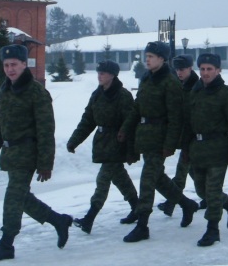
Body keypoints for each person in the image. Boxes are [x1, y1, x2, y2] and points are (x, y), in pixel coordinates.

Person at [0, 43, 72, 262]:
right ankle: (58, 220)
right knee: (21, 197)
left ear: (24, 64)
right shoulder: (5, 89)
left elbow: (46, 130)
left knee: (13, 196)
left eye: (14, 64)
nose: (10, 69)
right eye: (6, 65)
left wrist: (45, 163)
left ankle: (6, 244)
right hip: (10, 152)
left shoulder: (36, 93)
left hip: (28, 153)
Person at [119, 41, 198, 243]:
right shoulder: (147, 79)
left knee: (147, 180)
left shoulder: (170, 82)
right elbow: (138, 108)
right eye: (146, 56)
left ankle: (142, 224)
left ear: (162, 59)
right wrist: (126, 128)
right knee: (159, 179)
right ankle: (186, 204)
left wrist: (170, 144)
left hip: (160, 137)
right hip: (146, 136)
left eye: (151, 56)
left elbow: (175, 116)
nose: (147, 59)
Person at [66, 60, 139, 234]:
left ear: (112, 75)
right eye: (98, 73)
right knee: (119, 177)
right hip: (102, 142)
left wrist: (131, 150)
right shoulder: (97, 95)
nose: (99, 76)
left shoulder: (123, 96)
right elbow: (87, 121)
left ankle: (89, 218)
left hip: (117, 143)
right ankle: (137, 207)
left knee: (103, 180)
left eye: (103, 73)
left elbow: (131, 123)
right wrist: (74, 140)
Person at [184, 53, 228, 247]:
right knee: (202, 190)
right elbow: (188, 123)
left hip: (219, 149)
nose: (205, 73)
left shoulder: (226, 94)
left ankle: (212, 230)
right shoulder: (195, 92)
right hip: (198, 149)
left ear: (218, 70)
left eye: (209, 69)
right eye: (202, 69)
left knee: (212, 191)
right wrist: (185, 148)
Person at [157, 55, 197, 216]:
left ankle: (171, 203)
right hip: (183, 135)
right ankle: (210, 196)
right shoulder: (178, 85)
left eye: (182, 69)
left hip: (193, 137)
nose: (179, 72)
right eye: (177, 69)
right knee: (195, 173)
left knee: (181, 172)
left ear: (190, 68)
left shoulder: (196, 87)